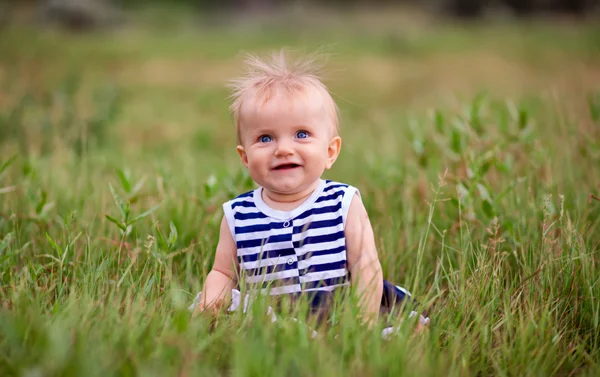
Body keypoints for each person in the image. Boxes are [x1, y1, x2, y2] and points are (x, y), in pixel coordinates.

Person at [191, 50, 429, 332]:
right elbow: (223, 272)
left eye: (301, 134)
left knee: (409, 330)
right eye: (265, 138)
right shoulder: (238, 215)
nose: (283, 149)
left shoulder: (343, 201)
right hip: (274, 322)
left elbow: (365, 264)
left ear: (330, 152)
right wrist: (211, 302)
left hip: (343, 311)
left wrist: (362, 324)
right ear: (245, 158)